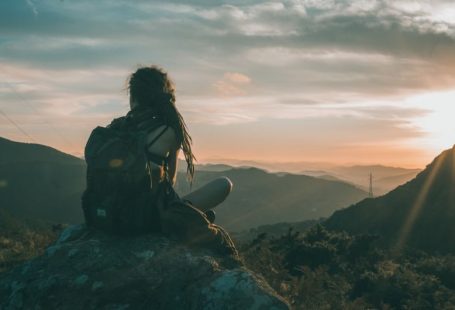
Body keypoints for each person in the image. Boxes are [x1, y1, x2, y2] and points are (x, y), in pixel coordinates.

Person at [98, 66, 237, 256]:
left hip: (107, 217)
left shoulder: (113, 129)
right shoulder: (167, 132)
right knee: (224, 184)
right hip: (148, 220)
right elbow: (169, 181)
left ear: (132, 96)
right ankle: (194, 219)